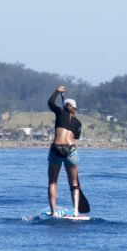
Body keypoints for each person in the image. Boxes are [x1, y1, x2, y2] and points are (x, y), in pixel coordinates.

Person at [47, 85, 82, 217]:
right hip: (70, 150)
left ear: (64, 106)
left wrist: (57, 91)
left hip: (56, 149)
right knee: (73, 183)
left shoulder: (60, 112)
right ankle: (75, 212)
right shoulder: (78, 122)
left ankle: (53, 212)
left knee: (52, 182)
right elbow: (76, 137)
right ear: (75, 109)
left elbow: (50, 102)